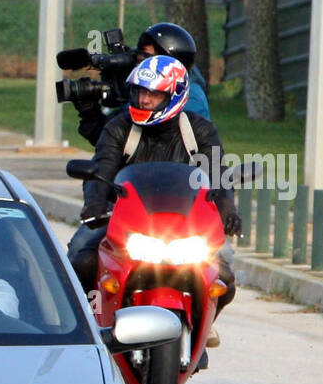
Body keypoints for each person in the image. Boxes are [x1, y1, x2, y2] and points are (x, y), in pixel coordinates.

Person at [66, 54, 240, 345]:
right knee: (80, 259)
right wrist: (94, 205)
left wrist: (228, 211)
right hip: (123, 217)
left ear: (174, 96)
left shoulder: (200, 131)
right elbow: (101, 168)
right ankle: (83, 325)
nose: (144, 100)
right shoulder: (119, 127)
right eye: (140, 92)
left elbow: (219, 178)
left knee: (225, 272)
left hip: (186, 224)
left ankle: (202, 324)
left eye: (153, 95)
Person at [76, 21, 211, 148]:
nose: (143, 68)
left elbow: (157, 144)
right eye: (139, 61)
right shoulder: (143, 91)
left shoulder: (189, 96)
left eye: (149, 61)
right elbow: (111, 140)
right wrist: (88, 110)